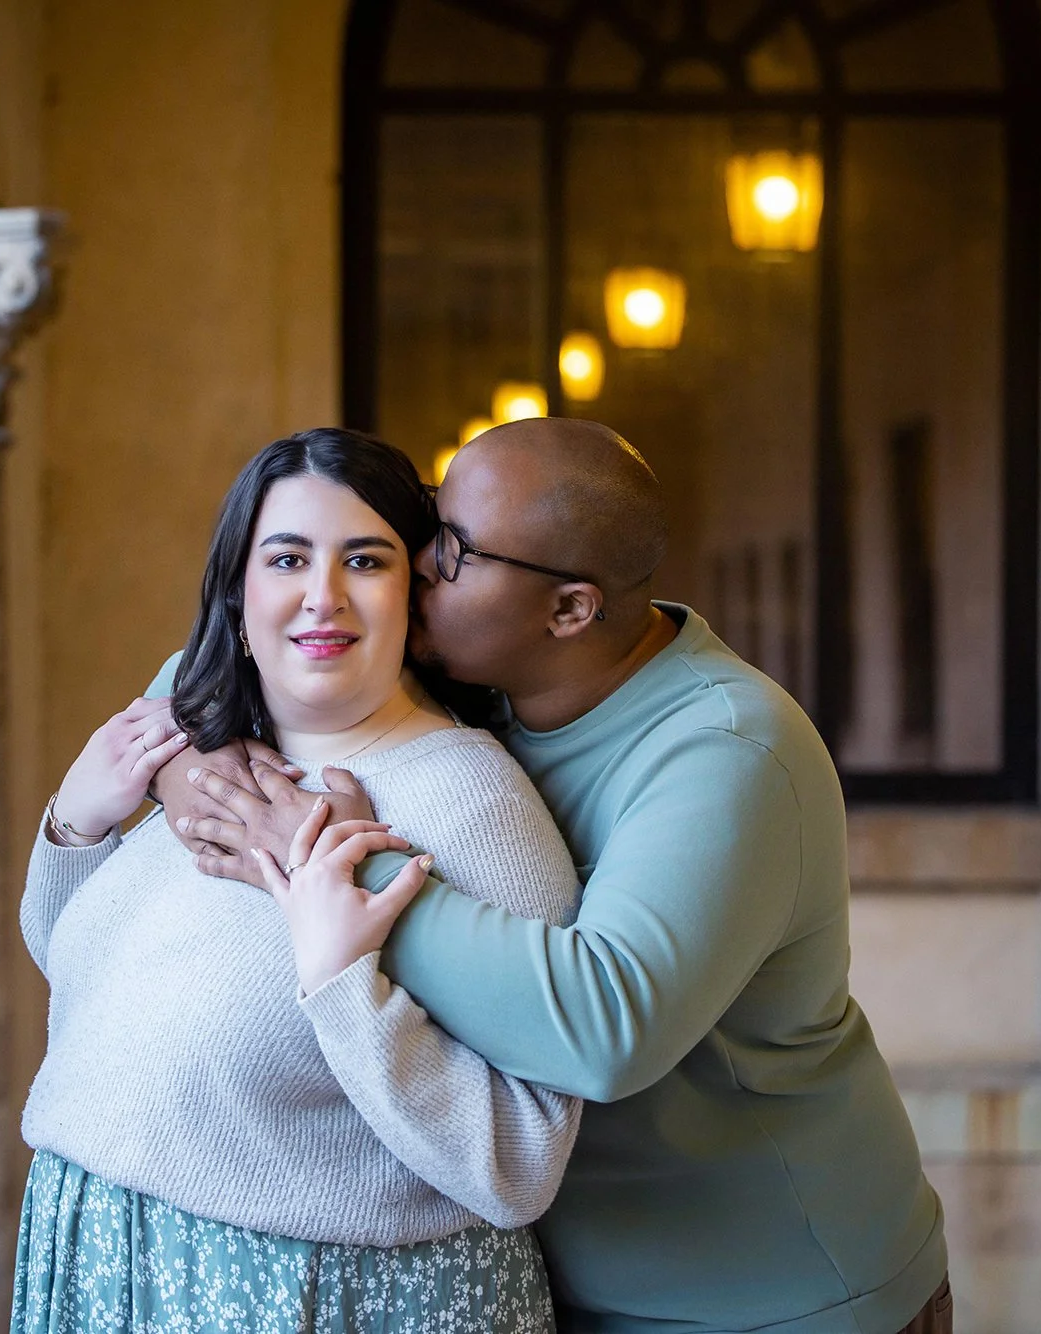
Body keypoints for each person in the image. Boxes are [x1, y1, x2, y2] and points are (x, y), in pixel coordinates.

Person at [154, 417, 953, 1334]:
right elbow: (209, 674)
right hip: (557, 1281)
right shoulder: (490, 680)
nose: (417, 564)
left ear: (569, 609)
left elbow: (603, 1025)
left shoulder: (728, 750)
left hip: (775, 1292)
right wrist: (181, 761)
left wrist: (334, 864)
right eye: (430, 526)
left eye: (453, 550)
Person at [12, 427, 585, 1333]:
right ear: (238, 598)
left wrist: (342, 978)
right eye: (287, 558)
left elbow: (519, 1161)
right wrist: (75, 825)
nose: (323, 597)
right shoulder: (214, 758)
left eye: (365, 559)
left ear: (416, 600)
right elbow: (96, 992)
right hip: (104, 1257)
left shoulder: (469, 804)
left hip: (307, 1297)